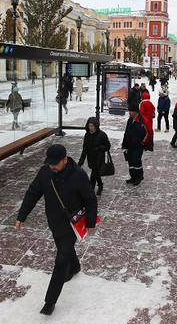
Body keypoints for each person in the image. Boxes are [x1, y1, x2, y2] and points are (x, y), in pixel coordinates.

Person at [15, 144, 97, 316]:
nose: (52, 166)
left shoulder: (78, 175)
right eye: (49, 163)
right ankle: (74, 267)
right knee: (64, 250)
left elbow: (90, 199)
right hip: (54, 221)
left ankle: (50, 301)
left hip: (72, 224)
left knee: (61, 261)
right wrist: (22, 216)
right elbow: (32, 193)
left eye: (55, 163)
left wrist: (90, 222)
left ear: (65, 160)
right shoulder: (45, 172)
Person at [78, 117, 111, 195]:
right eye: (89, 126)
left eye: (92, 126)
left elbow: (108, 146)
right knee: (96, 173)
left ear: (96, 126)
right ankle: (100, 185)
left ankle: (90, 191)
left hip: (99, 158)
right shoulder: (87, 135)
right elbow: (85, 149)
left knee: (93, 174)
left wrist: (99, 148)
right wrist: (80, 162)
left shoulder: (102, 135)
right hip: (91, 158)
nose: (91, 128)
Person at [122, 109, 146, 185]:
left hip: (138, 145)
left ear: (136, 112)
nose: (129, 112)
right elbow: (126, 132)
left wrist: (137, 141)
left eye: (131, 111)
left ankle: (139, 177)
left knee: (136, 160)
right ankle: (133, 177)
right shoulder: (130, 120)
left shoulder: (141, 121)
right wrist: (124, 144)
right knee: (130, 161)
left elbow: (143, 133)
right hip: (129, 145)